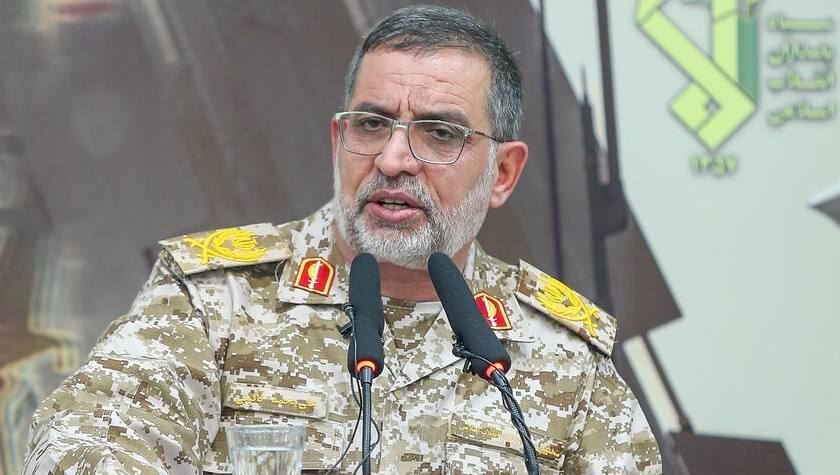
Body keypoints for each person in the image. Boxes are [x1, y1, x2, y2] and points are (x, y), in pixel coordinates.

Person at [23, 5, 661, 474]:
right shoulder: (215, 301)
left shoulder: (564, 356)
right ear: (339, 141)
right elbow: (79, 444)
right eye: (372, 125)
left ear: (503, 173)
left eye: (440, 133)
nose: (393, 159)